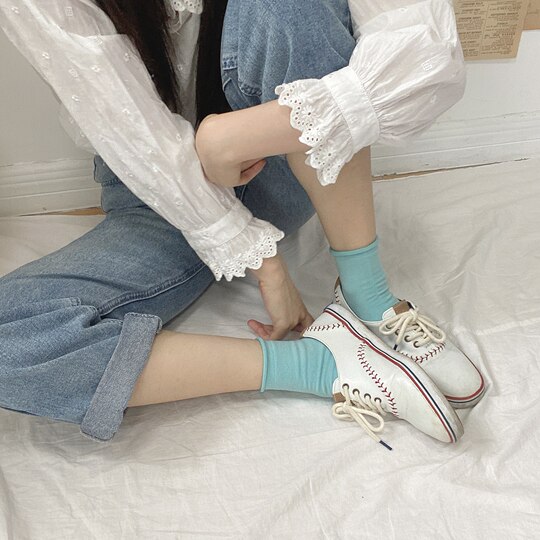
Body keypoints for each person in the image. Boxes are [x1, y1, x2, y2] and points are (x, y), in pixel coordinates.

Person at [0, 0, 485, 447]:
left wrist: (234, 137)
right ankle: (324, 362)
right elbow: (126, 129)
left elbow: (427, 51)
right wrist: (261, 257)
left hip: (279, 154)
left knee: (288, 6)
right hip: (154, 192)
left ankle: (370, 297)